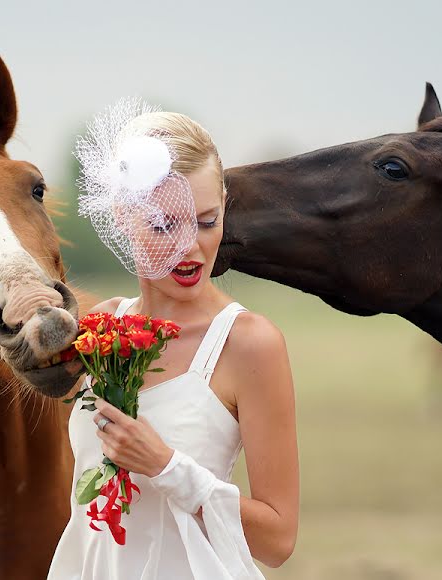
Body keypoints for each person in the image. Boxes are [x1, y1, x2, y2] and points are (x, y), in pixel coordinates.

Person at [48, 105, 299, 580]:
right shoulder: (100, 331)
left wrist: (167, 467)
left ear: (224, 204)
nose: (190, 247)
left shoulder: (249, 345)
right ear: (123, 215)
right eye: (164, 225)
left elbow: (279, 540)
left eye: (207, 221)